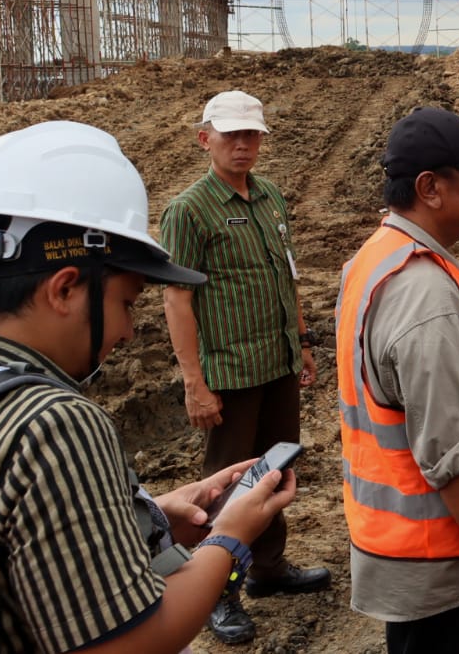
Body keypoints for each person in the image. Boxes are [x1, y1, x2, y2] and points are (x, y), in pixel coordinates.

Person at [0, 120, 296, 653]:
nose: (127, 331)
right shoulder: (53, 424)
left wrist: (144, 517)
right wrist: (231, 539)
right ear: (65, 289)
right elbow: (127, 642)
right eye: (125, 304)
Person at [336, 107, 459, 653]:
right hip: (445, 567)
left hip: (408, 550)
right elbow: (451, 452)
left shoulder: (373, 260)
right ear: (430, 188)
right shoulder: (426, 296)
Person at [159, 90, 330, 644]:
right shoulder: (188, 210)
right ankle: (215, 591)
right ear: (204, 137)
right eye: (231, 134)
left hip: (276, 363)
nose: (242, 144)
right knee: (228, 488)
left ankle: (268, 569)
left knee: (276, 470)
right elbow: (176, 301)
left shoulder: (271, 198)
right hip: (229, 374)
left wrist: (301, 342)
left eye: (251, 135)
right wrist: (194, 381)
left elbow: (287, 277)